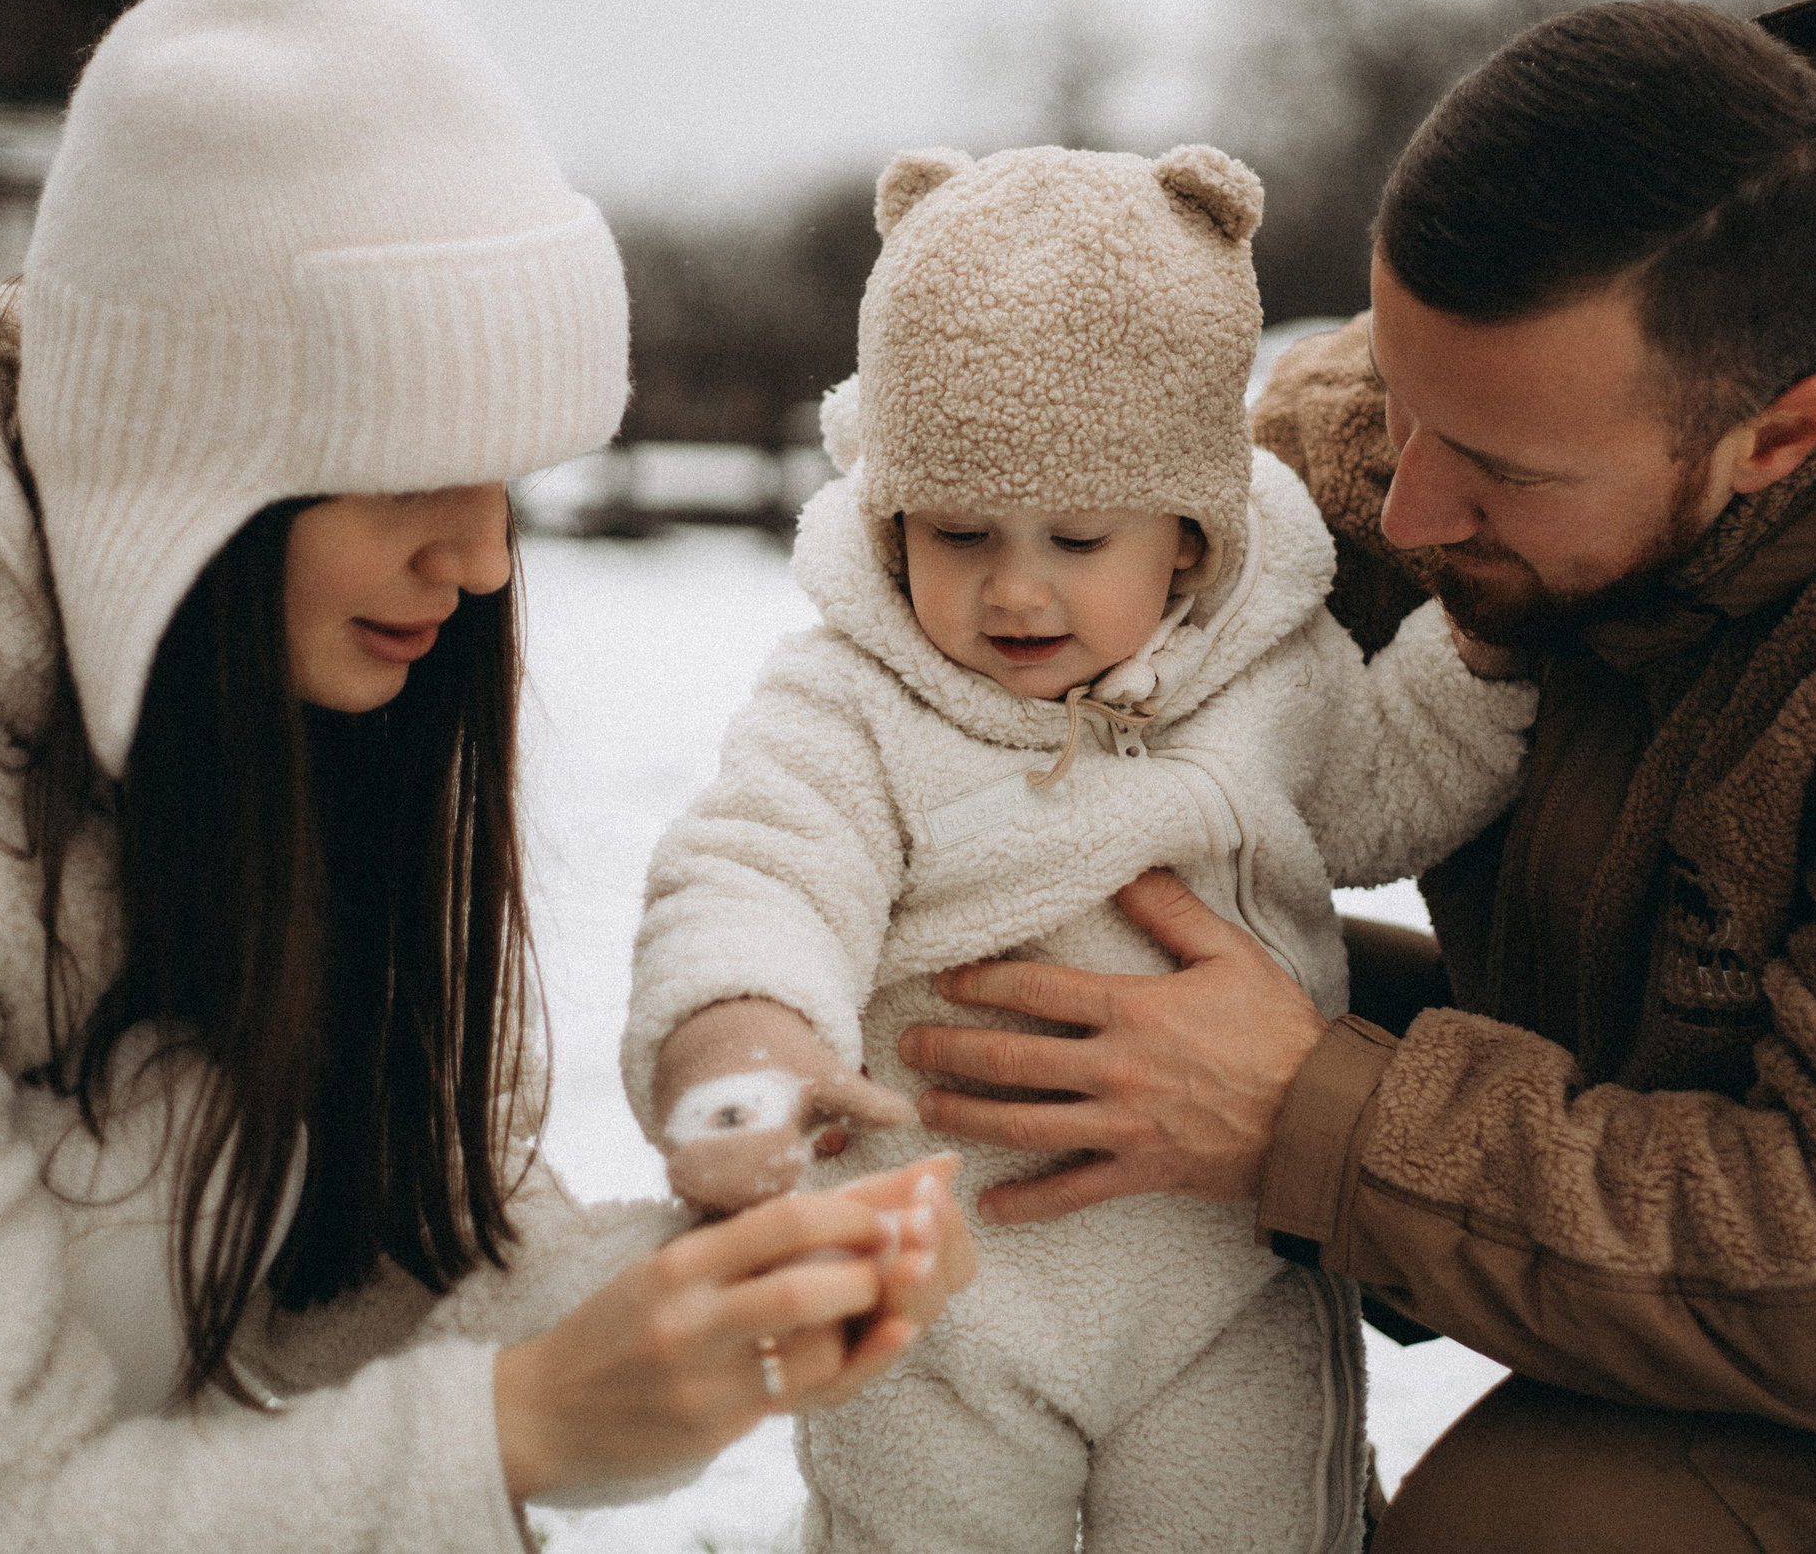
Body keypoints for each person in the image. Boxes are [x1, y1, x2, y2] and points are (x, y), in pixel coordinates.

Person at [895, 0, 1816, 1549]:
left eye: (1502, 473)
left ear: (1778, 439)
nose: (1403, 508)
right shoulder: (1497, 385)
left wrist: (1310, 1115)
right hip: (1633, 1048)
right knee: (1048, 1028)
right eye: (1402, 399)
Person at [0, 0, 968, 1554]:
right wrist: (524, 1429)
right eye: (417, 468)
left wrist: (693, 1301)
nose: (486, 561)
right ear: (198, 460)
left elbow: (362, 1270)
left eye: (510, 479)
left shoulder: (288, 702)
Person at [621, 144, 1539, 1554]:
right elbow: (763, 863)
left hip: (1222, 1279)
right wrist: (741, 1031)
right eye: (959, 530)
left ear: (1186, 535)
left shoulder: (1269, 670)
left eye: (1077, 535)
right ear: (890, 516)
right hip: (940, 1287)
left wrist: (1485, 656)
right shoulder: (855, 700)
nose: (1015, 587)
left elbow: (1381, 786)